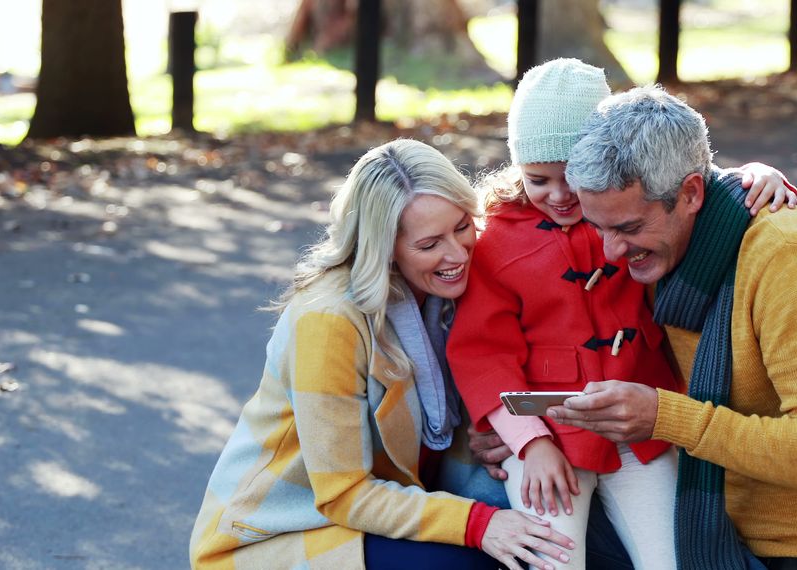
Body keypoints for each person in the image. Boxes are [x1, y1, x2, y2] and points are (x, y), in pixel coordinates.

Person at [549, 85, 797, 570]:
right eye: (600, 228)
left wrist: (665, 417)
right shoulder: (665, 249)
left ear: (690, 193)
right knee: (515, 520)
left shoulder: (791, 259)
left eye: (629, 229)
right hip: (719, 519)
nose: (611, 251)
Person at [448, 59, 797, 570]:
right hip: (548, 435)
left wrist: (754, 177)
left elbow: (689, 186)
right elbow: (483, 354)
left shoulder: (622, 209)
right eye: (538, 179)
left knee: (677, 557)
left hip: (640, 428)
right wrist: (529, 444)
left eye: (573, 175)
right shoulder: (498, 243)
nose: (561, 195)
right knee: (552, 560)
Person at [189, 139, 577, 570]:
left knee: (542, 524)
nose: (457, 254)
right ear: (384, 248)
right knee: (478, 562)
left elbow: (496, 383)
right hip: (286, 529)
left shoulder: (454, 285)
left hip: (402, 494)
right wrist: (478, 524)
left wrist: (493, 432)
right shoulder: (329, 321)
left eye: (463, 226)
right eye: (429, 245)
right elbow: (343, 493)